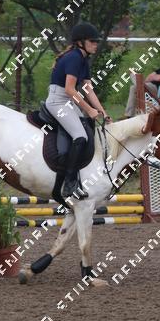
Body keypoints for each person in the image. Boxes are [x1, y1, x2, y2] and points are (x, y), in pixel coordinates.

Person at [45, 22, 111, 199]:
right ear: (81, 42)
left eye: (96, 41)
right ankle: (69, 183)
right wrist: (89, 109)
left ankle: (79, 176)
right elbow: (69, 89)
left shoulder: (83, 59)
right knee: (80, 137)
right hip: (58, 101)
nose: (96, 44)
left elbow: (88, 89)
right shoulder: (74, 58)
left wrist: (102, 111)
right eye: (92, 41)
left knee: (87, 131)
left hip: (67, 100)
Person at [125, 52, 160, 116]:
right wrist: (155, 77)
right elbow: (148, 77)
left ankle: (139, 83)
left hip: (157, 89)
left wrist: (155, 77)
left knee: (135, 85)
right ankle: (129, 115)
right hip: (149, 85)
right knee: (133, 87)